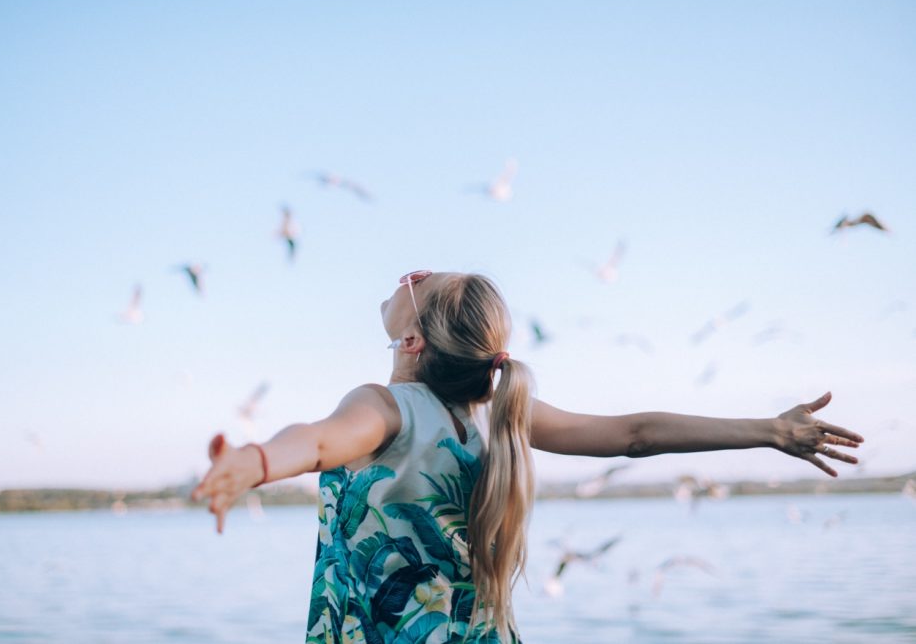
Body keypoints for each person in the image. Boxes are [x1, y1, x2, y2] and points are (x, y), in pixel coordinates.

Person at [191, 270, 864, 644]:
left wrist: (253, 461)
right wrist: (769, 429)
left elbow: (313, 441)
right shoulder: (497, 411)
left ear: (414, 340)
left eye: (418, 280)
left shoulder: (383, 407)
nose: (410, 273)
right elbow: (636, 434)